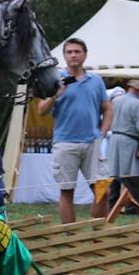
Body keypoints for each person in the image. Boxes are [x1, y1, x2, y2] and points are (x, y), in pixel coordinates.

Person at [36, 37, 112, 224]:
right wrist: (55, 94)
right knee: (67, 191)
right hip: (65, 142)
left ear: (85, 54)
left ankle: (96, 236)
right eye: (69, 52)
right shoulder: (55, 80)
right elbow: (41, 110)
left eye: (77, 51)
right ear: (64, 56)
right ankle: (71, 236)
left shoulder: (96, 80)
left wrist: (102, 133)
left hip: (92, 142)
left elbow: (108, 109)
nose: (73, 55)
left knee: (104, 190)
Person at [106, 79, 139, 216]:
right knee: (131, 175)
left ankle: (112, 205)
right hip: (129, 141)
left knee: (115, 174)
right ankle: (137, 206)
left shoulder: (115, 101)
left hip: (114, 139)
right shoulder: (138, 105)